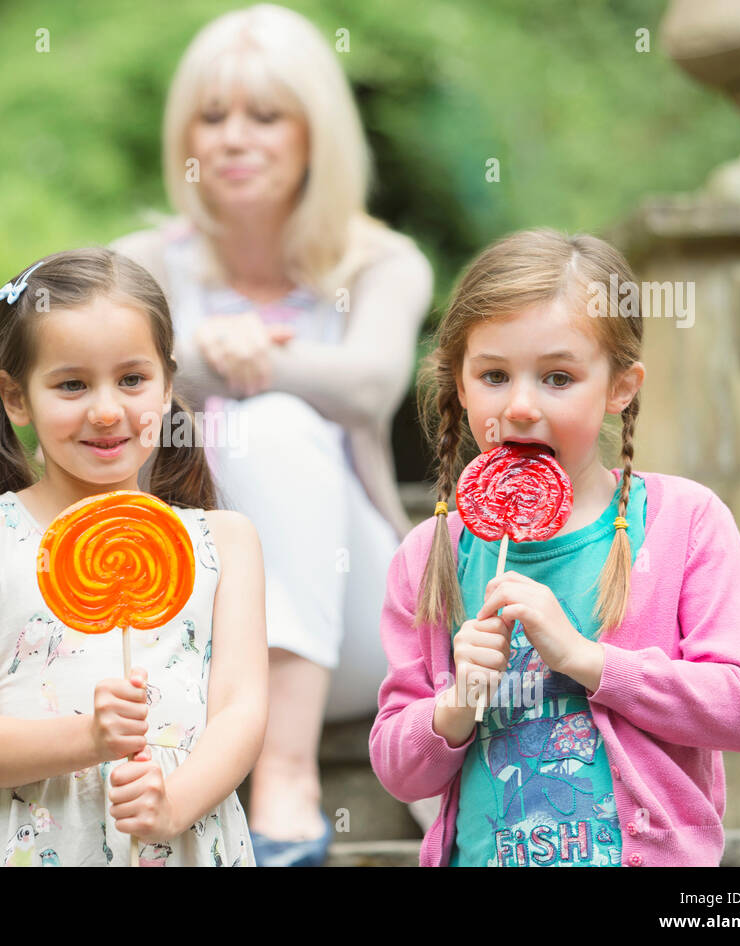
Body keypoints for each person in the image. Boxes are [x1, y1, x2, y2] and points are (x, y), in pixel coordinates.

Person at [111, 3, 436, 863]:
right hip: (185, 619)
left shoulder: (381, 264)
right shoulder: (138, 264)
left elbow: (369, 385)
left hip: (354, 626)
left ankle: (284, 774)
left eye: (265, 115)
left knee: (282, 427)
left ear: (314, 134)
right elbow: (87, 386)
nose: (233, 138)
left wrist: (208, 363)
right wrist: (196, 352)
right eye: (211, 117)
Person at [370, 228, 740, 866]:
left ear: (620, 387)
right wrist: (454, 706)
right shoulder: (431, 556)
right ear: (459, 383)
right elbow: (397, 768)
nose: (523, 406)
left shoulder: (684, 522)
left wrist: (589, 661)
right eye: (495, 375)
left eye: (558, 377)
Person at [0, 248, 269, 866]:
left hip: (181, 833)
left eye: (132, 379)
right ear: (16, 397)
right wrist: (87, 738)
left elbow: (241, 711)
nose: (107, 409)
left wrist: (175, 800)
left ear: (167, 385)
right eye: (72, 384)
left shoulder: (226, 541)